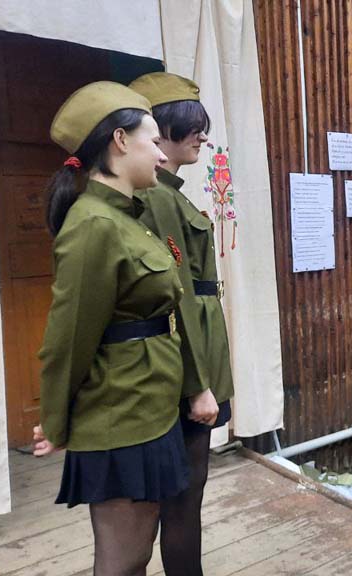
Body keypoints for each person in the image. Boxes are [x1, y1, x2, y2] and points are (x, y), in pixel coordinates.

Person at [32, 81, 187, 575]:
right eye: (153, 142)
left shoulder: (128, 218)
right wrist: (55, 422)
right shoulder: (94, 224)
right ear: (120, 141)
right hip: (120, 415)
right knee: (122, 560)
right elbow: (68, 338)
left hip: (149, 405)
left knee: (138, 554)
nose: (161, 155)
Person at [129, 72, 235, 575]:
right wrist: (197, 384)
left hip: (196, 356)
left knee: (185, 494)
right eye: (192, 127)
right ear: (162, 129)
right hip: (183, 364)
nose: (202, 137)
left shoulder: (170, 195)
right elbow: (175, 296)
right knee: (182, 498)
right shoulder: (157, 199)